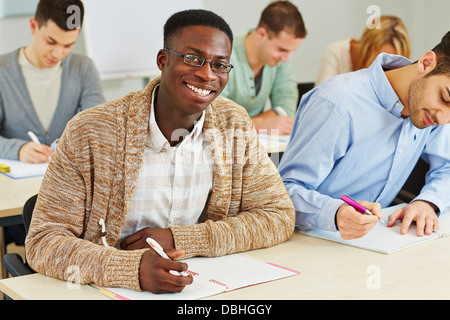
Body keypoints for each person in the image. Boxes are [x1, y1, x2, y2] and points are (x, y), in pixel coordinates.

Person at [25, 9, 295, 294]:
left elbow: (278, 215)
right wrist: (131, 269)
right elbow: (44, 240)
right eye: (192, 59)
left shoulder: (233, 124)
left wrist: (180, 240)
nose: (206, 74)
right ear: (163, 61)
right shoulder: (91, 131)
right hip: (105, 289)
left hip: (201, 287)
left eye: (219, 65)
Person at [279, 31, 450, 240]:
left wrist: (428, 202)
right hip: (308, 241)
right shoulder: (335, 103)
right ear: (426, 63)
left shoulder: (434, 113)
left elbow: (447, 168)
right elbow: (284, 192)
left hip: (373, 246)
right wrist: (335, 213)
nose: (444, 120)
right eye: (445, 98)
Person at [0, 0, 105, 163]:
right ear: (34, 26)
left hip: (67, 180)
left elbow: (98, 129)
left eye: (68, 45)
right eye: (51, 42)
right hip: (15, 182)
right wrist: (18, 149)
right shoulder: (3, 71)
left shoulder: (83, 68)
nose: (58, 54)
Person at [221, 0, 306, 135]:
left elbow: (286, 111)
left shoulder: (282, 60)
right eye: (282, 50)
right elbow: (214, 117)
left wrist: (245, 124)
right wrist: (258, 124)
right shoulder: (222, 55)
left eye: (291, 52)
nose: (287, 58)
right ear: (261, 34)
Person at [315, 15, 411, 86]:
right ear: (366, 48)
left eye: (391, 62)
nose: (382, 66)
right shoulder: (336, 52)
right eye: (380, 58)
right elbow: (319, 99)